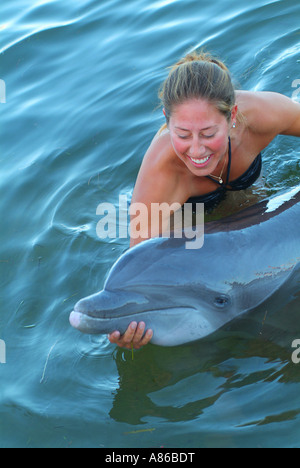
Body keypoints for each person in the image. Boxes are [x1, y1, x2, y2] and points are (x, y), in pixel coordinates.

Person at [109, 50, 300, 350]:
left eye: (208, 133)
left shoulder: (261, 115)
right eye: (183, 134)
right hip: (193, 225)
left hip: (251, 205)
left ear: (233, 117)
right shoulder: (160, 174)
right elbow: (140, 277)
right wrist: (132, 328)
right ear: (166, 120)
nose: (196, 151)